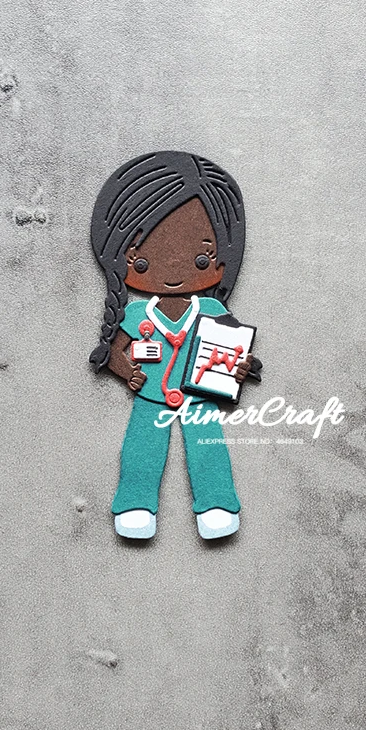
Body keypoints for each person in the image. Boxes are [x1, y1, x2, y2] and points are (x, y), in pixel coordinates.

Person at [89, 151, 260, 539]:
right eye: (143, 263)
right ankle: (135, 505)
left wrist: (241, 365)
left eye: (200, 259)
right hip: (150, 396)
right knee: (141, 449)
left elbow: (234, 349)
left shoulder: (212, 310)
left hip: (200, 394)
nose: (172, 273)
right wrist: (126, 370)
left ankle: (217, 505)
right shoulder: (136, 314)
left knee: (209, 448)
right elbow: (114, 350)